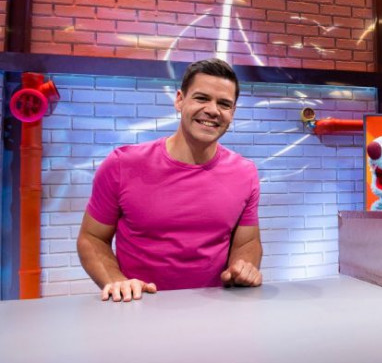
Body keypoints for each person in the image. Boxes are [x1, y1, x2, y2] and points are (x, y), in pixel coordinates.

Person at [77, 58, 262, 302]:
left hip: (216, 310)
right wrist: (116, 281)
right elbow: (92, 238)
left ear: (233, 113)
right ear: (179, 100)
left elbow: (247, 242)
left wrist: (244, 266)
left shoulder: (245, 173)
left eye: (224, 104)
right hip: (139, 307)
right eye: (202, 98)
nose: (213, 110)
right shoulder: (122, 165)